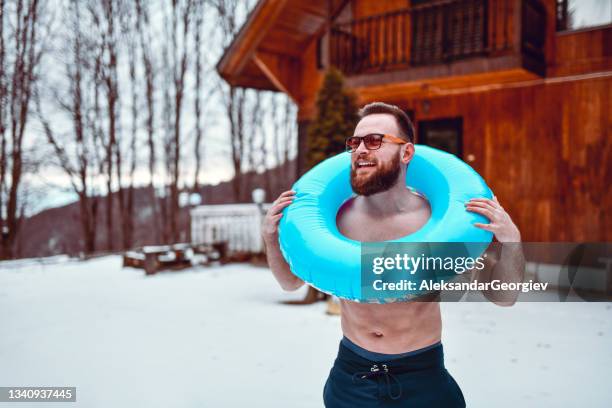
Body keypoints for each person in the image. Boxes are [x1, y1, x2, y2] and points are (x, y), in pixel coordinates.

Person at [261, 102, 523, 407]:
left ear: (407, 153)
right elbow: (291, 283)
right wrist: (270, 237)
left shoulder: (438, 223)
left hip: (422, 379)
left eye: (374, 141)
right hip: (351, 378)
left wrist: (512, 241)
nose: (360, 150)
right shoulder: (336, 222)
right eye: (355, 142)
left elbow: (504, 296)